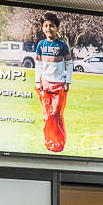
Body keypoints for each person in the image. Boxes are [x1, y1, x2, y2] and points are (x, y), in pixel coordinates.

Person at [32, 13, 72, 153]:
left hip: (59, 85)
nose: (49, 28)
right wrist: (37, 81)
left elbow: (69, 63)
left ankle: (59, 142)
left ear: (57, 28)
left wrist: (68, 82)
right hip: (45, 85)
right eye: (46, 26)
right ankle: (49, 142)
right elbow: (38, 64)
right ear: (43, 28)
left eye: (52, 26)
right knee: (47, 116)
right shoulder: (41, 45)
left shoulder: (62, 45)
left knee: (56, 115)